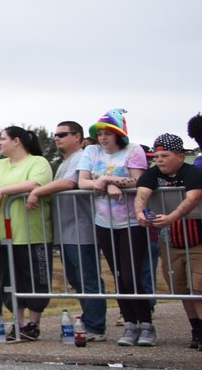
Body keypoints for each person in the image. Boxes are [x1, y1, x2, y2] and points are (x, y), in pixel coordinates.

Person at [77, 110, 154, 346]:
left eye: (108, 133)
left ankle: (146, 324)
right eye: (99, 133)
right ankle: (130, 324)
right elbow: (83, 182)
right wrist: (100, 182)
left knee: (131, 275)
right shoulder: (91, 151)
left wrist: (110, 180)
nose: (103, 138)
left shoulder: (133, 150)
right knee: (118, 275)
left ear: (119, 135)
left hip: (131, 221)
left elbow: (138, 180)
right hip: (103, 222)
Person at [29, 121, 106, 340]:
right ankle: (90, 320)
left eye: (63, 134)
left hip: (82, 230)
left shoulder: (82, 157)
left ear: (77, 137)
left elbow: (70, 183)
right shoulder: (66, 161)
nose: (56, 137)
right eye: (55, 134)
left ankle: (96, 327)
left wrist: (37, 192)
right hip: (66, 231)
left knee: (87, 279)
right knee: (77, 279)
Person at [0, 126, 54, 340]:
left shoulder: (38, 162)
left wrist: (3, 191)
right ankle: (18, 322)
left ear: (17, 141)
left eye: (3, 139)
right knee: (7, 278)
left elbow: (35, 183)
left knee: (34, 278)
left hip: (32, 234)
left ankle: (33, 323)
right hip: (0, 234)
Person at [136, 133, 202, 349]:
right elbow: (142, 194)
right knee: (182, 290)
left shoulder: (193, 172)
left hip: (198, 241)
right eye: (157, 155)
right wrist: (140, 213)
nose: (159, 159)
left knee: (199, 289)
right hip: (171, 242)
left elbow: (192, 198)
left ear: (181, 156)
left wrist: (172, 217)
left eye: (165, 155)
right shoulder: (152, 174)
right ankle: (196, 331)